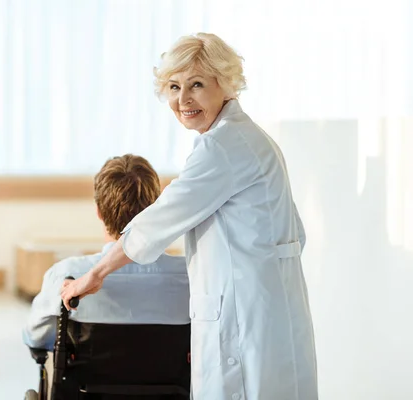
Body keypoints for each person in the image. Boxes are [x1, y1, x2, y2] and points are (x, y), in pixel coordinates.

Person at [61, 33, 318, 400]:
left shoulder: (223, 147)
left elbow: (159, 220)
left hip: (244, 321)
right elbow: (295, 234)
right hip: (267, 312)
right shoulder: (251, 140)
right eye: (174, 86)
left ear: (225, 83)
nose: (183, 99)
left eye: (196, 84)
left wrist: (96, 273)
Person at [22, 154, 189, 350]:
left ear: (99, 212)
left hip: (87, 379)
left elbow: (35, 337)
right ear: (155, 209)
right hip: (172, 379)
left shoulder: (65, 275)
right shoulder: (189, 276)